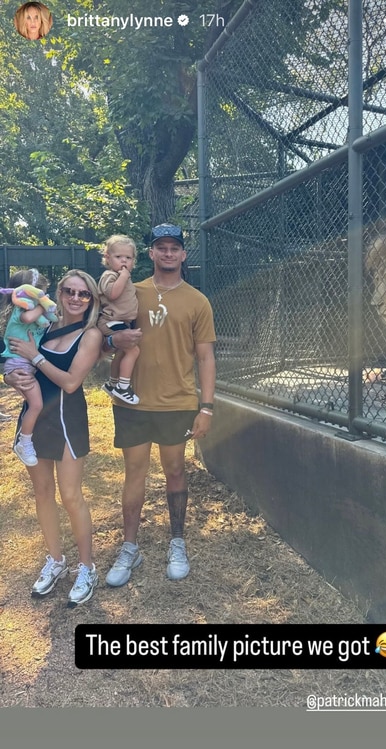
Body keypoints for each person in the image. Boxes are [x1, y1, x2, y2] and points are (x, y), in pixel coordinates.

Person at [105, 223, 216, 587]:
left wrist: (207, 406)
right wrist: (112, 340)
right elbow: (103, 337)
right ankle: (129, 547)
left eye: (174, 248)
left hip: (177, 402)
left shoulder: (198, 301)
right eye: (160, 247)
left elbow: (205, 358)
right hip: (133, 402)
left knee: (175, 472)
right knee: (134, 473)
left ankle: (178, 542)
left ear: (183, 254)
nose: (168, 253)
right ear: (150, 253)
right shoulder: (130, 293)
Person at [3, 270, 102, 608]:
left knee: (71, 495)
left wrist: (35, 356)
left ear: (91, 299)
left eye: (83, 294)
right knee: (42, 492)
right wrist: (13, 377)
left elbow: (71, 382)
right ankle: (56, 560)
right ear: (59, 293)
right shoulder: (44, 324)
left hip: (67, 419)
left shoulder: (91, 335)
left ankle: (87, 567)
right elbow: (17, 360)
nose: (76, 299)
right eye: (70, 291)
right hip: (35, 418)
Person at [0, 268, 57, 466]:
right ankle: (23, 442)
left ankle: (26, 439)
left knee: (36, 405)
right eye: (40, 292)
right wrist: (43, 305)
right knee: (36, 405)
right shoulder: (21, 311)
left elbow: (45, 322)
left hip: (25, 365)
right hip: (19, 366)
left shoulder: (31, 313)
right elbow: (28, 319)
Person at [97, 234, 140, 405]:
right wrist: (123, 276)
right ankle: (123, 387)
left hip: (121, 323)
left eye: (128, 258)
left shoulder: (123, 277)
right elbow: (113, 294)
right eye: (118, 257)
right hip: (111, 322)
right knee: (134, 350)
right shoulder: (110, 276)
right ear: (108, 258)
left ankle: (112, 384)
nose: (124, 261)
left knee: (123, 352)